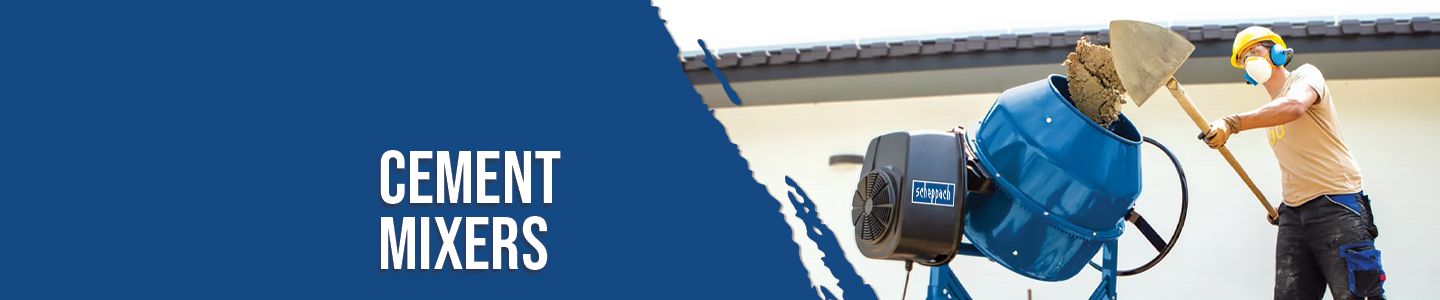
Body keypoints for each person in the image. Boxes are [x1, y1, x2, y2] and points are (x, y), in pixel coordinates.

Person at [1200, 26, 1385, 300]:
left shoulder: (1306, 76)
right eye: (1244, 58)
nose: (1250, 59)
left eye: (1255, 51)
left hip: (1336, 204)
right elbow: (1298, 161)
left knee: (1357, 295)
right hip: (1295, 214)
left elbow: (1295, 106)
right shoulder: (1271, 112)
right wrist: (1287, 206)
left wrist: (1233, 123)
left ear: (1277, 52)